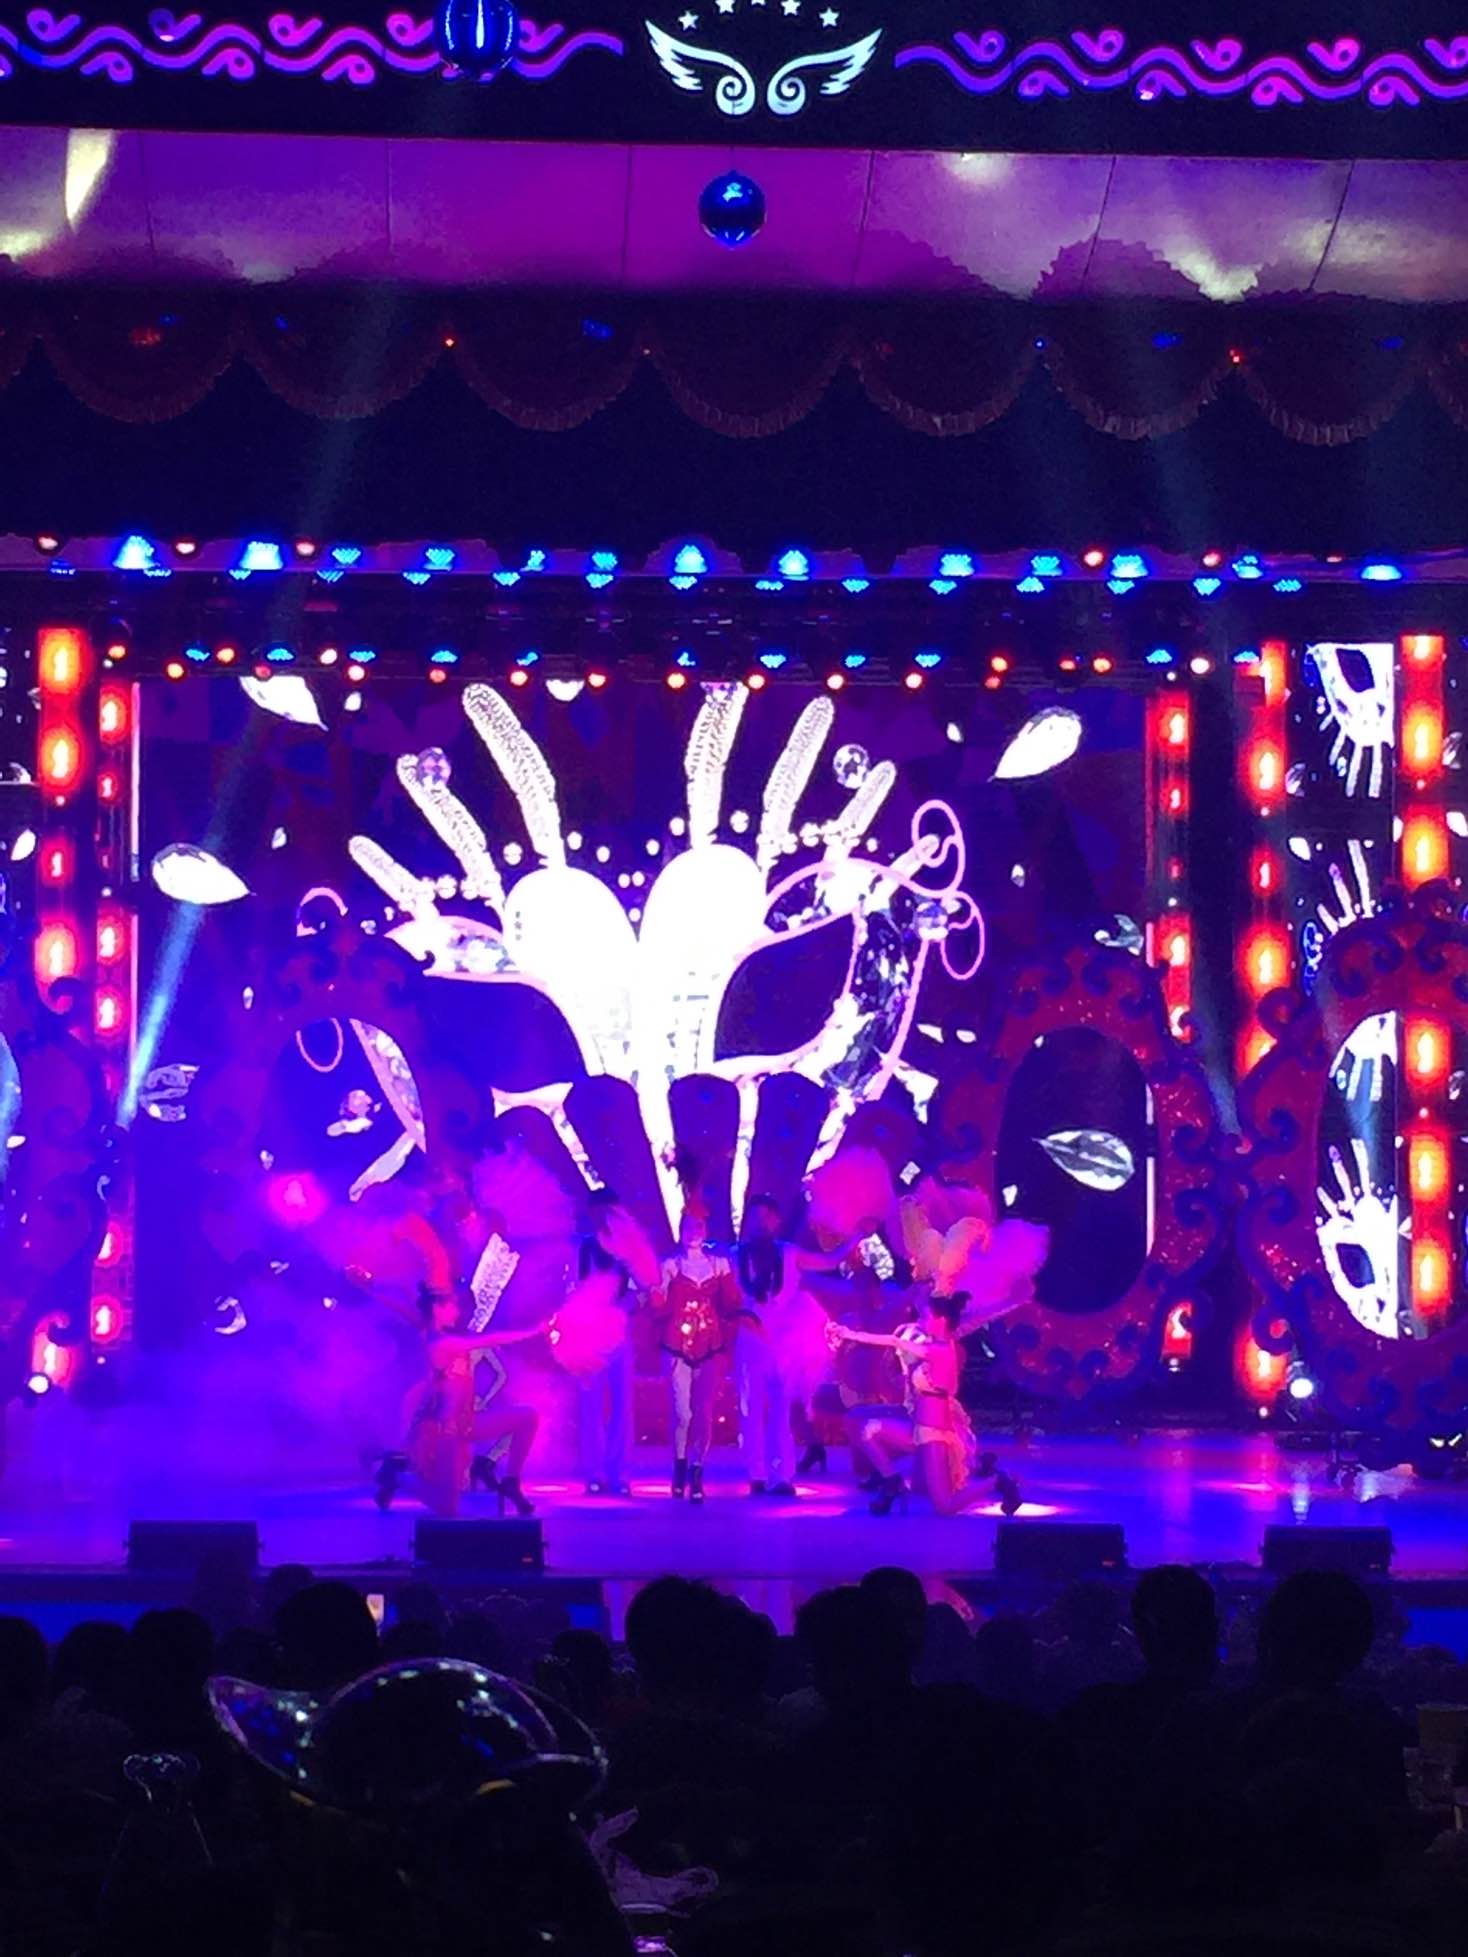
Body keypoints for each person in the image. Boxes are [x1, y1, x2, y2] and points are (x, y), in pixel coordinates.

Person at [733, 1195, 867, 1498]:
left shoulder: (790, 1253)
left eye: (766, 1217)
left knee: (781, 1406)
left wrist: (858, 1235)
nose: (760, 1223)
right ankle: (756, 1473)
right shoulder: (733, 1256)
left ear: (776, 1222)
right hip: (750, 1339)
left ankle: (781, 1476)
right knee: (750, 1406)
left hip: (783, 1340)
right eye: (755, 1217)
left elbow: (830, 1261)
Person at [825, 1292, 976, 1514]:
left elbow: (894, 1341)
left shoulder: (940, 1351)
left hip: (934, 1433)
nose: (922, 1321)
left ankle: (998, 1482)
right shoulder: (932, 1345)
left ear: (941, 1320)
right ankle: (893, 1482)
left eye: (926, 1317)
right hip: (916, 1428)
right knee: (869, 1430)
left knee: (945, 1506)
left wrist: (852, 1334)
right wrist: (849, 1334)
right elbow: (896, 1342)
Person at [647, 1195, 740, 1502]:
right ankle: (679, 1465)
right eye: (688, 1226)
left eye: (698, 1226)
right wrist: (655, 1295)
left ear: (706, 1229)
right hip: (676, 1345)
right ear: (680, 1230)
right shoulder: (670, 1265)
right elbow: (658, 1304)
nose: (693, 1232)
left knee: (704, 1412)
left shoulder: (719, 1264)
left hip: (711, 1346)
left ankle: (697, 1471)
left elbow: (732, 1303)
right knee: (682, 1413)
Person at [576, 1190, 640, 1497]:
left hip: (618, 1336)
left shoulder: (629, 1250)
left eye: (608, 1211)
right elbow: (571, 1288)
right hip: (586, 1337)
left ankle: (620, 1472)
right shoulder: (582, 1247)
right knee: (590, 1404)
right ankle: (594, 1472)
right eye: (597, 1211)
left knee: (621, 1404)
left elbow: (642, 1290)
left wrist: (617, 1311)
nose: (602, 1217)